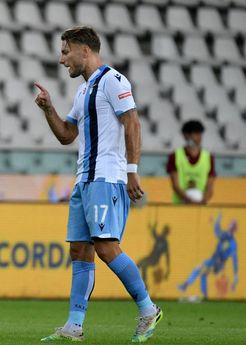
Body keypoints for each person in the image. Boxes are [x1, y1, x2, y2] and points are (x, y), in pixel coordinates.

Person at [34, 26, 162, 343]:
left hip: (107, 176)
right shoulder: (83, 91)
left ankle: (148, 310)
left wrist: (132, 170)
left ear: (85, 51)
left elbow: (132, 121)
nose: (62, 59)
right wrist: (49, 108)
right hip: (84, 179)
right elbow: (67, 135)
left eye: (66, 52)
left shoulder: (113, 81)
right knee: (80, 250)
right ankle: (74, 326)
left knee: (105, 247)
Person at [178, 213, 238, 299]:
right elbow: (234, 259)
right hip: (214, 261)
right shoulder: (230, 240)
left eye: (230, 226)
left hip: (217, 263)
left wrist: (217, 220)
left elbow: (217, 232)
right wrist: (235, 275)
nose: (229, 228)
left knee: (199, 268)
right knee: (203, 273)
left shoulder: (229, 240)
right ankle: (204, 294)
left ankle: (186, 285)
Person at [166, 120, 215, 204]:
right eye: (195, 133)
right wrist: (188, 199)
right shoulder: (175, 156)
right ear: (186, 135)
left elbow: (210, 187)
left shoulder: (208, 157)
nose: (199, 137)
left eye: (200, 134)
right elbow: (175, 185)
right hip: (180, 205)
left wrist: (203, 200)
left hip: (201, 206)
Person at [136, 223, 170, 290]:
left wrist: (168, 269)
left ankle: (144, 284)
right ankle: (137, 282)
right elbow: (154, 234)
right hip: (150, 257)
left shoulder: (165, 243)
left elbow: (167, 257)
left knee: (144, 265)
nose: (163, 232)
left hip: (155, 260)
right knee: (138, 264)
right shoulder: (159, 238)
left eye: (165, 231)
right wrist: (153, 227)